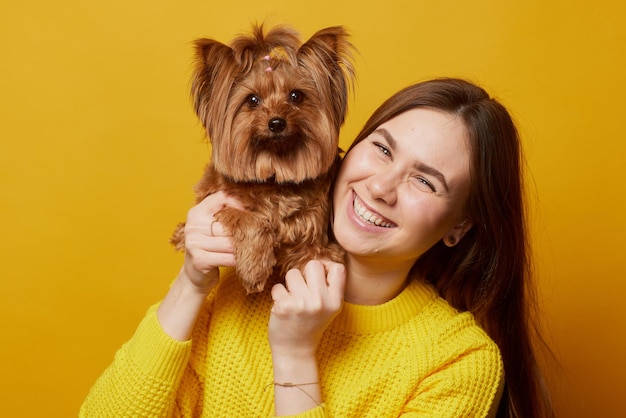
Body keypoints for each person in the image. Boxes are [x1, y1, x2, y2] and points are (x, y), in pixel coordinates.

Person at [80, 78, 553, 417]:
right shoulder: (238, 291)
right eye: (382, 150)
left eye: (424, 181)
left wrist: (294, 355)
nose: (381, 187)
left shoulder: (459, 363)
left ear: (461, 225)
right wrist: (190, 284)